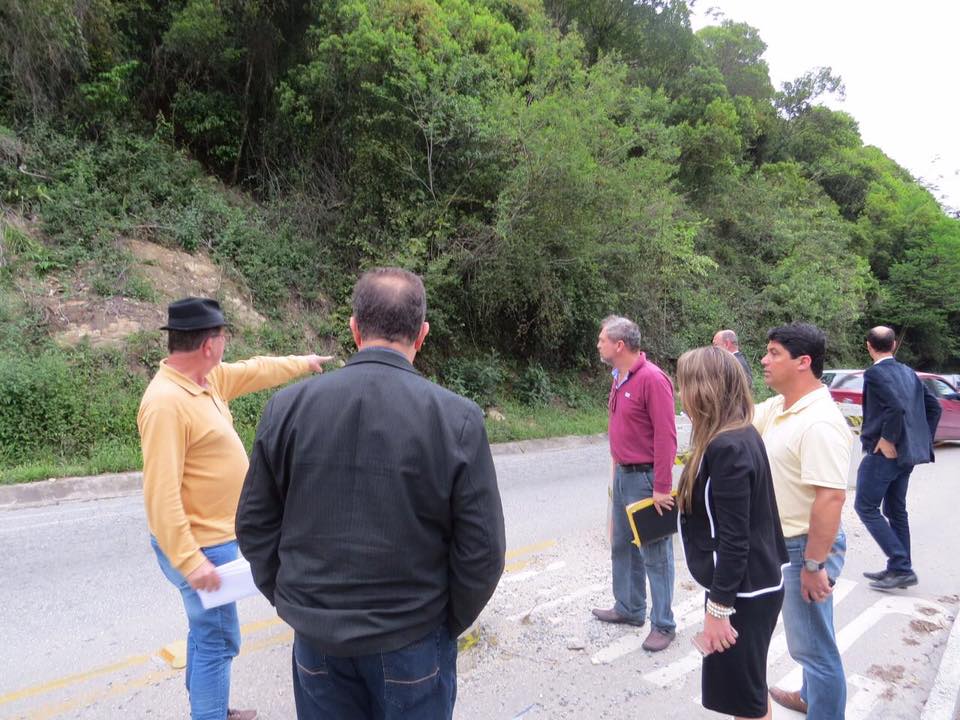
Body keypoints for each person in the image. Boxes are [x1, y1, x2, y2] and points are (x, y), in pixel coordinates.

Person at [236, 268, 506, 720]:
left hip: (319, 638)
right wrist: (441, 622)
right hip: (412, 637)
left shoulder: (287, 408)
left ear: (354, 328)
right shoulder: (457, 419)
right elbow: (483, 551)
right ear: (422, 335)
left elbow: (254, 525)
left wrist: (294, 601)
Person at [138, 297, 331, 720]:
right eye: (224, 336)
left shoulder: (207, 380)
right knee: (218, 637)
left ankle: (210, 706)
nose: (227, 343)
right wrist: (191, 562)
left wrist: (304, 362)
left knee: (205, 630)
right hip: (199, 546)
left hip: (213, 538)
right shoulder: (166, 403)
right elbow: (160, 493)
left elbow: (256, 369)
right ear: (208, 344)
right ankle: (208, 714)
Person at [676, 346, 788, 720]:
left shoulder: (727, 446)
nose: (681, 395)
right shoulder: (738, 434)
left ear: (704, 390)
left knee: (746, 702)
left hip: (744, 594)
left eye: (685, 386)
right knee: (749, 692)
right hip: (751, 585)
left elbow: (734, 538)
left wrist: (718, 609)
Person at [753, 323, 851, 719]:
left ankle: (823, 707)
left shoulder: (820, 422)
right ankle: (810, 696)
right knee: (811, 638)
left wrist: (814, 565)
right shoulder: (780, 406)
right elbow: (738, 420)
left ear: (803, 362)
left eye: (774, 352)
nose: (764, 359)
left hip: (804, 548)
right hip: (785, 543)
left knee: (813, 647)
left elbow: (830, 498)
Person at [591, 315, 677, 652]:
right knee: (622, 545)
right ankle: (629, 608)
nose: (598, 344)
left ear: (619, 345)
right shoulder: (619, 376)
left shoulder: (653, 380)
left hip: (646, 480)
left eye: (602, 340)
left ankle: (664, 624)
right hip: (624, 475)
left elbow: (666, 437)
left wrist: (662, 487)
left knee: (656, 553)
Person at [855, 326, 941, 590]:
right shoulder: (908, 373)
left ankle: (901, 564)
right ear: (893, 346)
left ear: (869, 345)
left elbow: (894, 407)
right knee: (894, 510)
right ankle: (899, 570)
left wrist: (889, 439)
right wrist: (920, 441)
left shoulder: (875, 374)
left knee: (865, 507)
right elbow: (934, 407)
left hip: (885, 453)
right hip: (907, 455)